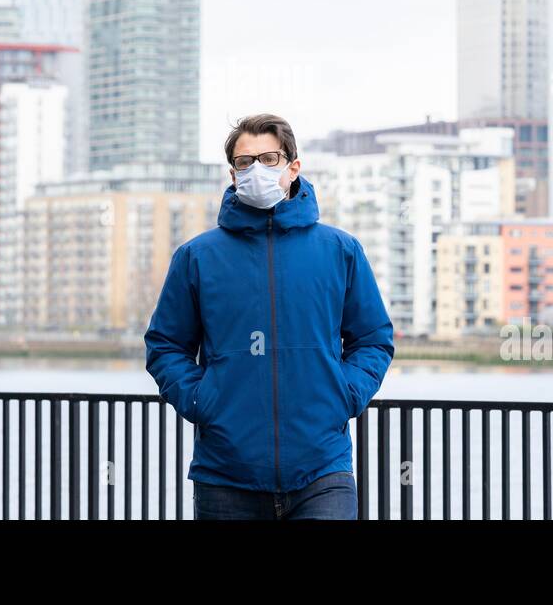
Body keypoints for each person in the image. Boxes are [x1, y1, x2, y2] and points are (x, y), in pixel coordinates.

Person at [144, 113, 394, 519]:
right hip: (226, 476)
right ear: (232, 174)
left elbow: (373, 339)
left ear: (294, 167)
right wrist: (201, 399)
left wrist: (344, 394)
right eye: (246, 162)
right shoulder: (197, 257)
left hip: (322, 472)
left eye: (270, 158)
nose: (257, 169)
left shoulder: (341, 251)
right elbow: (166, 345)